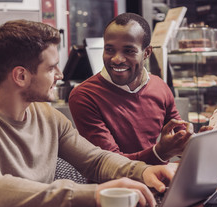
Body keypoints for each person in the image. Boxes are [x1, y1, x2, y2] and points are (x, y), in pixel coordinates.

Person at [0, 20, 174, 207]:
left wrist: (143, 172)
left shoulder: (48, 116)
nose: (60, 75)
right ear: (21, 76)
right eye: (51, 68)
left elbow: (96, 160)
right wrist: (93, 195)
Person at [69, 13, 200, 165]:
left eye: (129, 51)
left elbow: (181, 138)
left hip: (161, 182)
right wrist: (161, 152)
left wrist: (196, 143)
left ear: (147, 53)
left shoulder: (160, 87)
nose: (117, 59)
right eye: (110, 50)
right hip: (113, 188)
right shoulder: (84, 96)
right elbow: (110, 164)